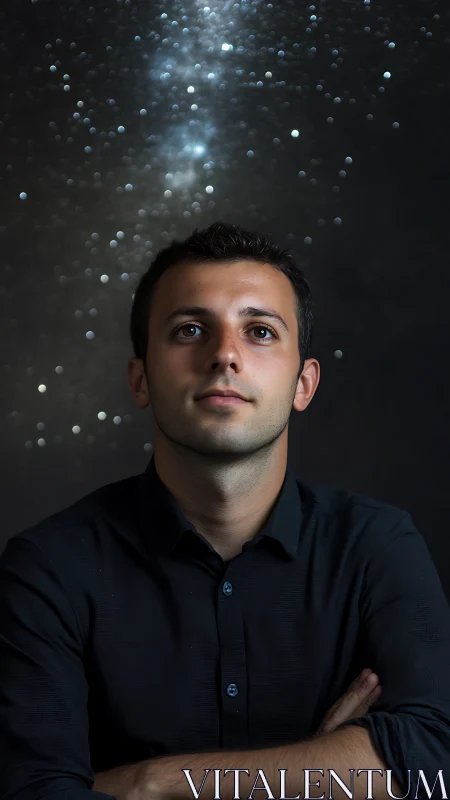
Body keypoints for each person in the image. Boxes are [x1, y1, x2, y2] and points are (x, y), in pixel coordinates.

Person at [0, 221, 449, 800]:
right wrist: (320, 775)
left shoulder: (376, 545)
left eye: (260, 331)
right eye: (190, 330)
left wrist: (152, 781)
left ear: (303, 384)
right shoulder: (47, 570)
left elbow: (433, 763)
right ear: (140, 378)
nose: (225, 356)